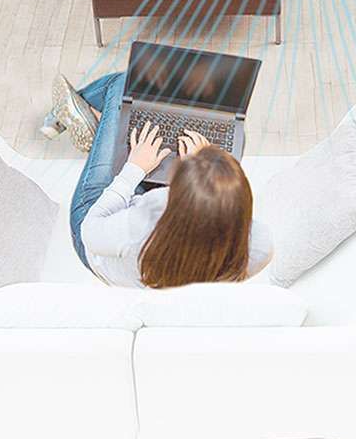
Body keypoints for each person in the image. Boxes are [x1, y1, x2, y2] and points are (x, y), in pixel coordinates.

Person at [68, 72, 272, 288]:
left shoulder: (147, 216)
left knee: (123, 83)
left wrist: (134, 168)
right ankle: (105, 129)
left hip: (98, 230)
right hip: (152, 243)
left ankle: (74, 115)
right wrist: (205, 165)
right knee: (237, 137)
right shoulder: (258, 245)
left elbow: (89, 232)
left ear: (174, 194)